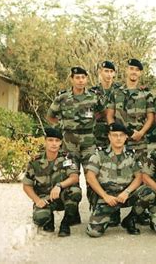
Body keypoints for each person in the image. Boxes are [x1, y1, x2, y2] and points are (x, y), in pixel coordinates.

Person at [46, 66, 102, 221]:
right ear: (71, 79)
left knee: (92, 177)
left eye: (83, 77)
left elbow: (100, 113)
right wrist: (62, 126)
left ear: (86, 79)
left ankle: (96, 211)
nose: (80, 81)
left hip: (89, 143)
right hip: (69, 143)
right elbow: (50, 116)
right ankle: (72, 212)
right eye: (77, 78)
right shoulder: (62, 98)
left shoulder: (93, 98)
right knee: (71, 175)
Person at [85, 123, 155, 237]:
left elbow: (139, 177)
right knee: (94, 232)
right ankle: (109, 216)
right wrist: (104, 196)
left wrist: (127, 192)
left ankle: (130, 219)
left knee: (149, 192)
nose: (118, 138)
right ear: (109, 136)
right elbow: (90, 177)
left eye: (121, 135)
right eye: (115, 135)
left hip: (125, 195)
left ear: (126, 137)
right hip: (107, 197)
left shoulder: (132, 155)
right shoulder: (99, 154)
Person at [22, 128, 82, 237]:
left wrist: (59, 186)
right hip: (45, 198)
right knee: (40, 219)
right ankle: (49, 218)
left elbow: (74, 177)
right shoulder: (35, 161)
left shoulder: (67, 158)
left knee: (75, 191)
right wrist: (37, 200)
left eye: (57, 140)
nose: (54, 144)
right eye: (50, 140)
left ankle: (66, 223)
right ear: (45, 141)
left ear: (60, 142)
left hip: (62, 195)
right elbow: (27, 185)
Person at [107, 58, 154, 158]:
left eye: (137, 70)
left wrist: (141, 133)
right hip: (119, 142)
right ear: (126, 70)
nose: (134, 72)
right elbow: (109, 116)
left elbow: (150, 118)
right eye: (131, 68)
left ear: (140, 73)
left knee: (140, 172)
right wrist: (116, 132)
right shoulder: (115, 92)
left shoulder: (146, 94)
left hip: (139, 142)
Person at [92, 60, 119, 147]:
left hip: (117, 134)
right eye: (106, 71)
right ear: (100, 72)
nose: (109, 74)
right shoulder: (92, 92)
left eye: (111, 71)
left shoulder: (121, 90)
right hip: (97, 135)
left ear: (114, 73)